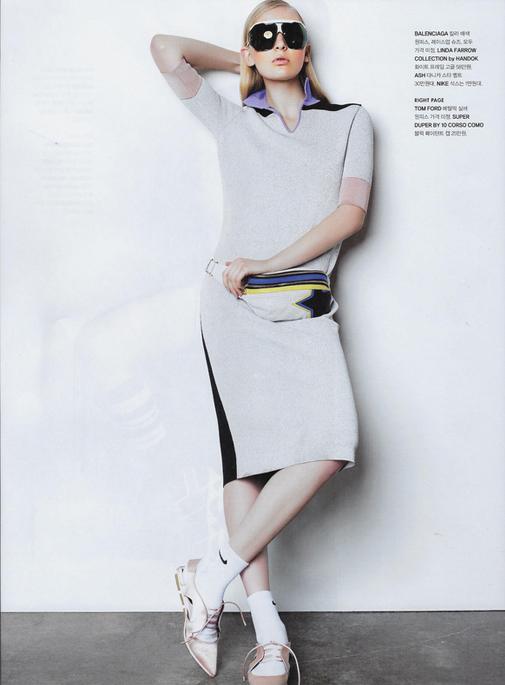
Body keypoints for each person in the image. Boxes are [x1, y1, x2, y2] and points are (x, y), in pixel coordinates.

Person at [150, 1, 374, 682]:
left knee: (331, 444)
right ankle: (269, 631)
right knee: (246, 466)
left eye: (290, 34)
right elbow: (164, 48)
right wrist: (243, 62)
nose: (279, 42)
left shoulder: (350, 122)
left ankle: (208, 577)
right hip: (233, 309)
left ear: (308, 49)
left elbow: (351, 213)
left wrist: (272, 261)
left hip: (301, 302)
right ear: (251, 47)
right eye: (264, 35)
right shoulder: (231, 119)